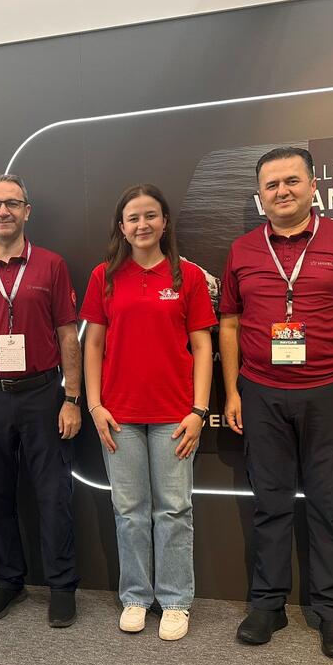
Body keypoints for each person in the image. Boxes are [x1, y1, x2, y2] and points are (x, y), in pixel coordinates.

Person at [219, 147, 333, 660]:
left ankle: (332, 612)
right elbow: (229, 324)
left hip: (331, 391)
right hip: (262, 392)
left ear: (314, 187)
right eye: (271, 185)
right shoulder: (243, 249)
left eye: (292, 180)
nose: (282, 191)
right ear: (260, 196)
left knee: (329, 504)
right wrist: (232, 391)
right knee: (269, 503)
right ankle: (267, 604)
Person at [81, 184, 215, 641]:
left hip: (174, 416)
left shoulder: (188, 276)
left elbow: (202, 346)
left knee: (174, 510)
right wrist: (94, 405)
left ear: (165, 222)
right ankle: (136, 596)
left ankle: (175, 601)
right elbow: (92, 345)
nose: (142, 224)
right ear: (121, 227)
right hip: (118, 417)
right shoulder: (104, 277)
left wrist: (199, 410)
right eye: (133, 217)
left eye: (151, 215)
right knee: (129, 511)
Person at [0, 173, 82, 628]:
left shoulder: (51, 265)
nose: (2, 211)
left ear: (27, 210)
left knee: (54, 495)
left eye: (11, 202)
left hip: (43, 395)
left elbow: (68, 334)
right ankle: (9, 580)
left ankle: (61, 586)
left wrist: (72, 397)